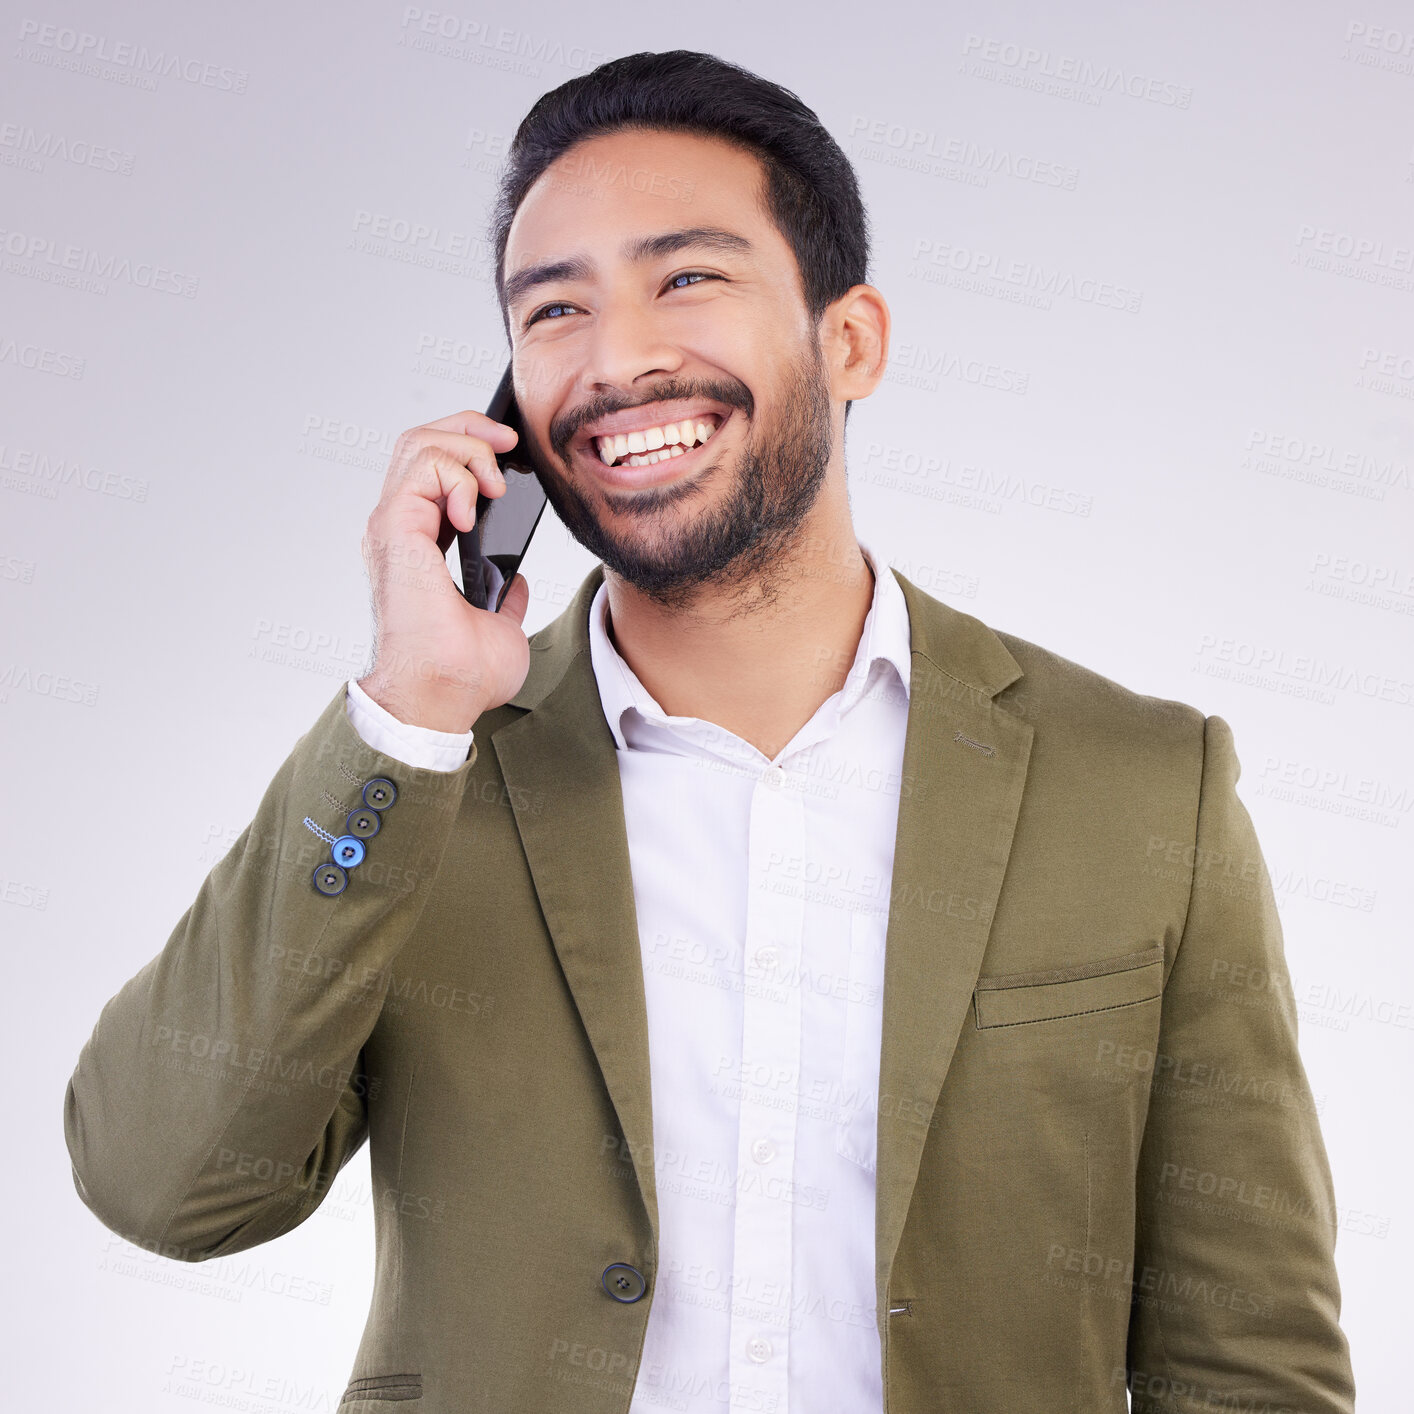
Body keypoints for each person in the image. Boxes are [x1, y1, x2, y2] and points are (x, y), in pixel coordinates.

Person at [63, 49, 1356, 1414]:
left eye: (685, 277)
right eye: (553, 310)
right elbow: (163, 1184)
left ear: (848, 339)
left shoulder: (1141, 784)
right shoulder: (425, 786)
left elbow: (1249, 1362)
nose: (617, 358)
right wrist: (413, 708)